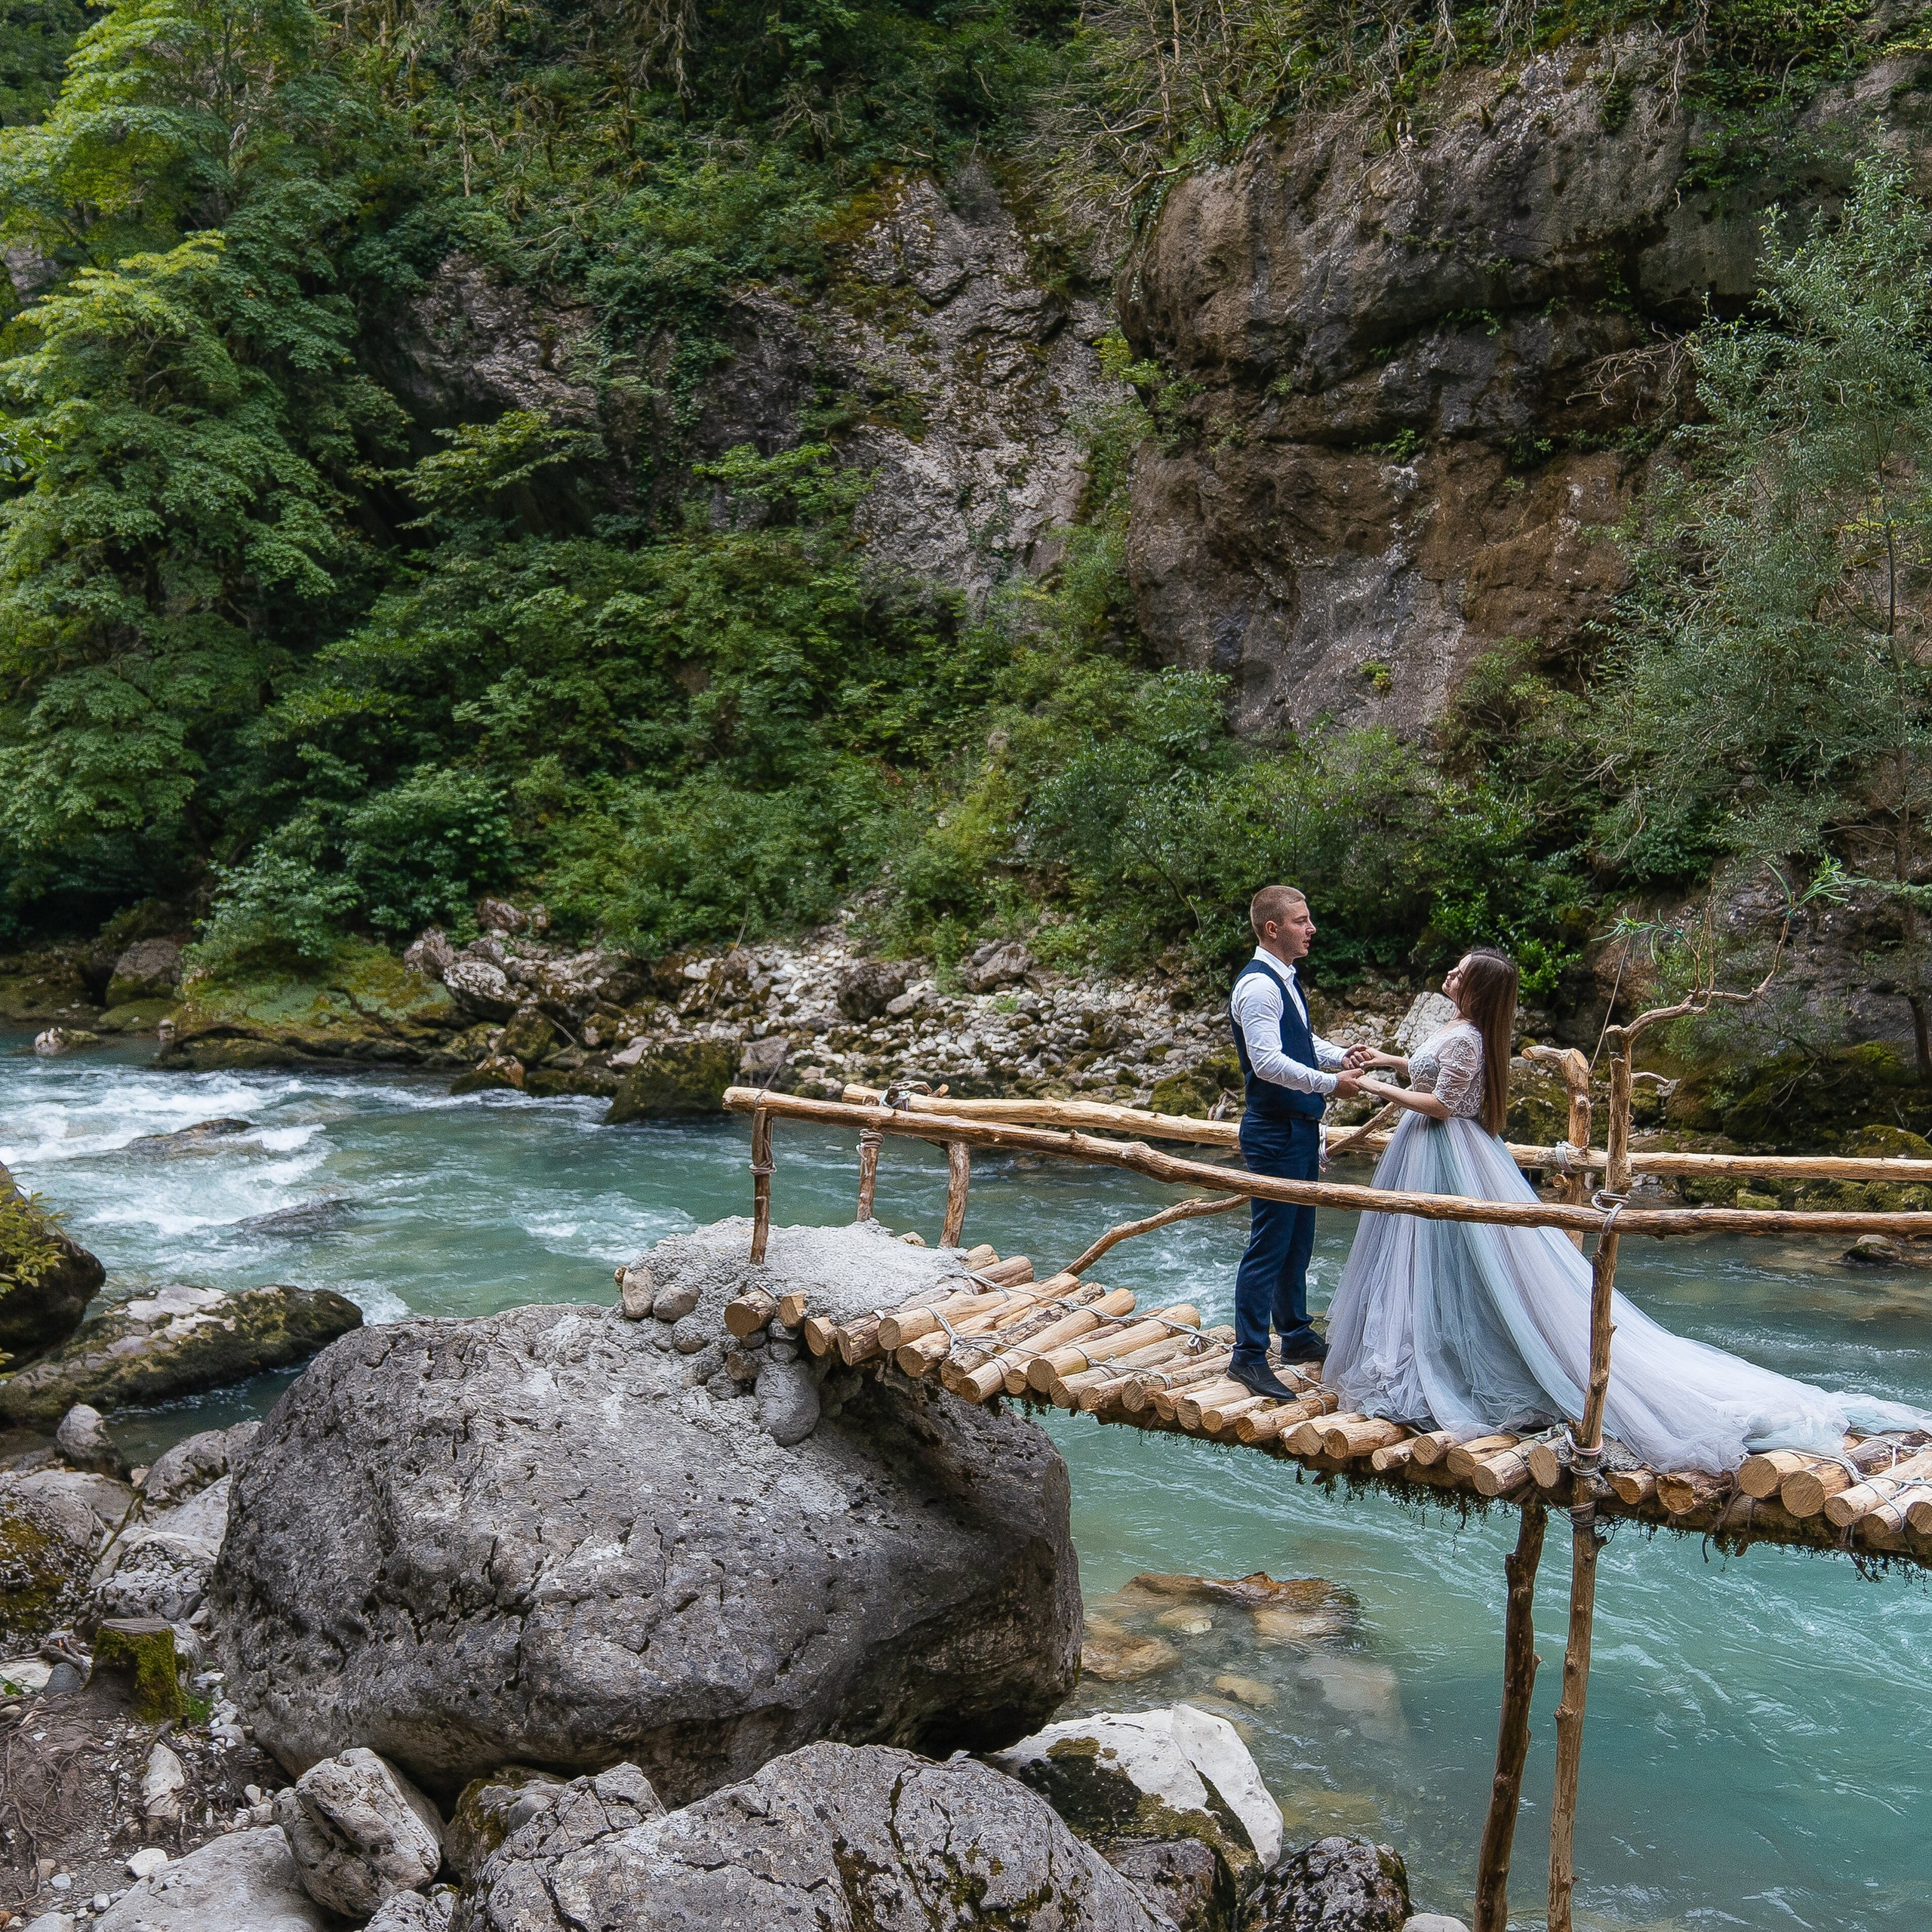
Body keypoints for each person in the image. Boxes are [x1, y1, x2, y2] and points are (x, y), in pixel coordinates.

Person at [1324, 947, 1930, 1472]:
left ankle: (1458, 1361)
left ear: (1476, 989)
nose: (1450, 977)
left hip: (1444, 1153)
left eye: (1459, 974)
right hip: (1430, 1153)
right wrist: (1385, 1062)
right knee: (1435, 1262)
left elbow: (1443, 1103)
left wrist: (1374, 1089)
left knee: (1460, 1261)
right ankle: (1433, 1348)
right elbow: (1433, 1071)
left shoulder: (1469, 1035)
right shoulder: (1463, 1030)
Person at [1226, 884, 1370, 1400]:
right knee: (1269, 1244)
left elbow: (1299, 1043)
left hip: (1296, 1131)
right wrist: (1333, 1084)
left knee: (1298, 1240)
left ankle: (1294, 1335)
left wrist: (1338, 1056)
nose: (1311, 929)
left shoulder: (1284, 979)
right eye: (1301, 921)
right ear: (1273, 929)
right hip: (1274, 1132)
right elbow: (1266, 1063)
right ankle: (1246, 1356)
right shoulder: (1260, 987)